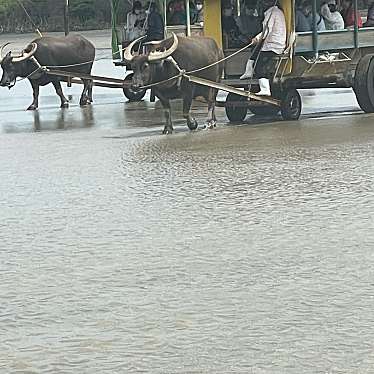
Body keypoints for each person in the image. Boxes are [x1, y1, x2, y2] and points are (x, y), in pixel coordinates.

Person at [240, 0, 286, 97]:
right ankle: (248, 71)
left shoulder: (272, 13)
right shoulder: (277, 12)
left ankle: (265, 89)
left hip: (274, 45)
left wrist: (257, 38)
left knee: (259, 65)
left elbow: (267, 30)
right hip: (273, 43)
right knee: (255, 50)